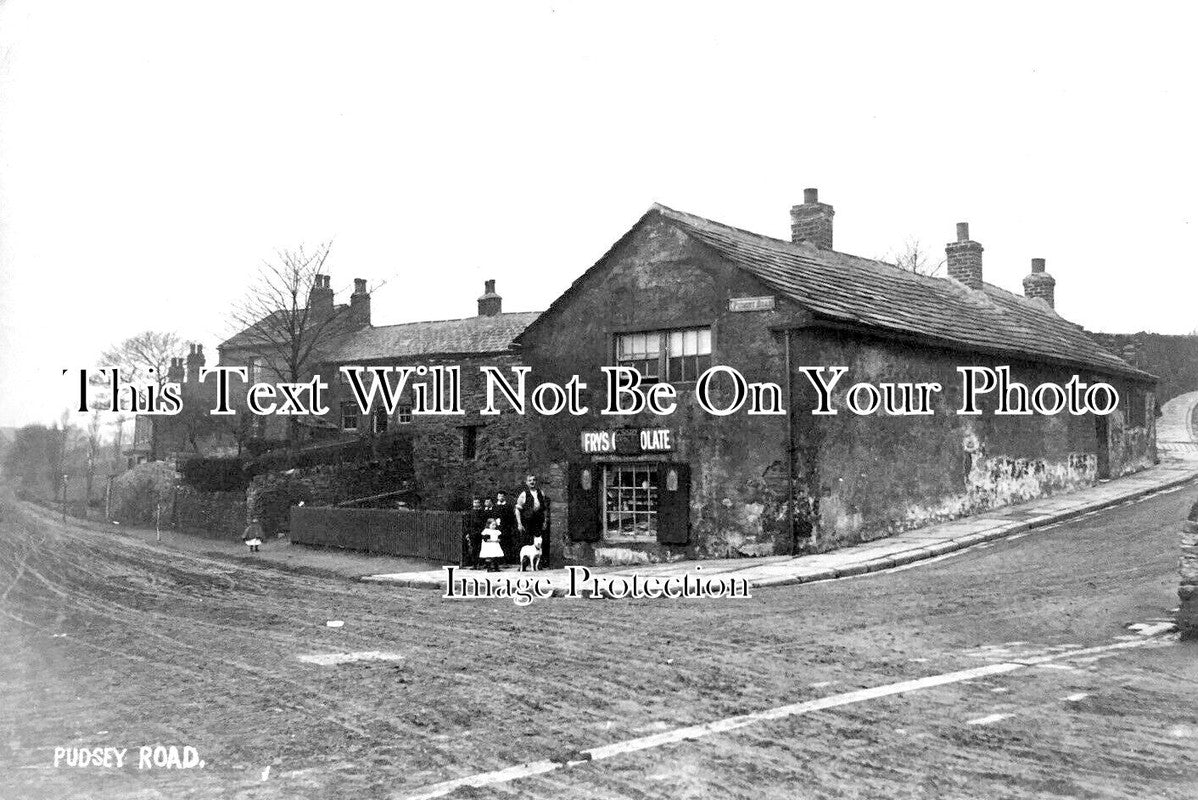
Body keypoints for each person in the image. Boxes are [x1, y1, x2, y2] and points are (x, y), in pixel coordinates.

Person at [515, 474, 549, 551]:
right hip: (528, 521)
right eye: (530, 480)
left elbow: (544, 509)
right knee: (527, 540)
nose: (532, 482)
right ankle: (526, 561)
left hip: (538, 520)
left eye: (534, 480)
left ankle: (538, 561)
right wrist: (519, 523)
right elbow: (517, 509)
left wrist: (545, 521)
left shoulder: (541, 493)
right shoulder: (524, 494)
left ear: (536, 482)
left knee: (539, 540)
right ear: (527, 483)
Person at [494, 490, 518, 565]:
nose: (501, 497)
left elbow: (511, 518)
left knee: (506, 544)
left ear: (504, 497)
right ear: (497, 497)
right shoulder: (495, 506)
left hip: (506, 528)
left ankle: (506, 561)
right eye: (499, 496)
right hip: (496, 528)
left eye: (502, 496)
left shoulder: (509, 506)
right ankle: (498, 561)